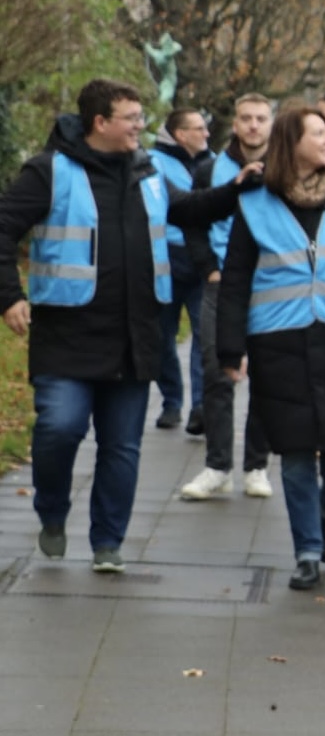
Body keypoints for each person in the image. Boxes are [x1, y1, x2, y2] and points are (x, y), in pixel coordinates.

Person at [0, 79, 251, 571]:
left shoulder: (149, 171)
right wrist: (9, 296)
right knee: (60, 427)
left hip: (136, 336)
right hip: (66, 337)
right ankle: (52, 511)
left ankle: (107, 542)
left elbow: (189, 209)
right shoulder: (49, 171)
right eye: (133, 117)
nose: (142, 126)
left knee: (122, 446)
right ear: (101, 123)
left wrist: (237, 188)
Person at [215, 106, 325, 588]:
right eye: (317, 132)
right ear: (291, 142)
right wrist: (230, 350)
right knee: (295, 452)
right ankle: (308, 552)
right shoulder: (255, 203)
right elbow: (234, 283)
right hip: (278, 342)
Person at [180, 94, 276, 501]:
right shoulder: (209, 169)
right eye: (245, 118)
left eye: (260, 118)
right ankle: (218, 466)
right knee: (216, 371)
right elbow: (193, 219)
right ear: (234, 124)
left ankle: (257, 466)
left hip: (271, 284)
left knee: (268, 376)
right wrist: (208, 268)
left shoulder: (287, 167)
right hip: (221, 284)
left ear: (272, 123)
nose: (253, 126)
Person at [150, 107, 213, 432]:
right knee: (163, 336)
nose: (206, 134)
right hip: (167, 259)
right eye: (198, 128)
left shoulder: (213, 162)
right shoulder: (153, 163)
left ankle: (200, 406)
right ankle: (171, 401)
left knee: (205, 336)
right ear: (180, 135)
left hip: (204, 259)